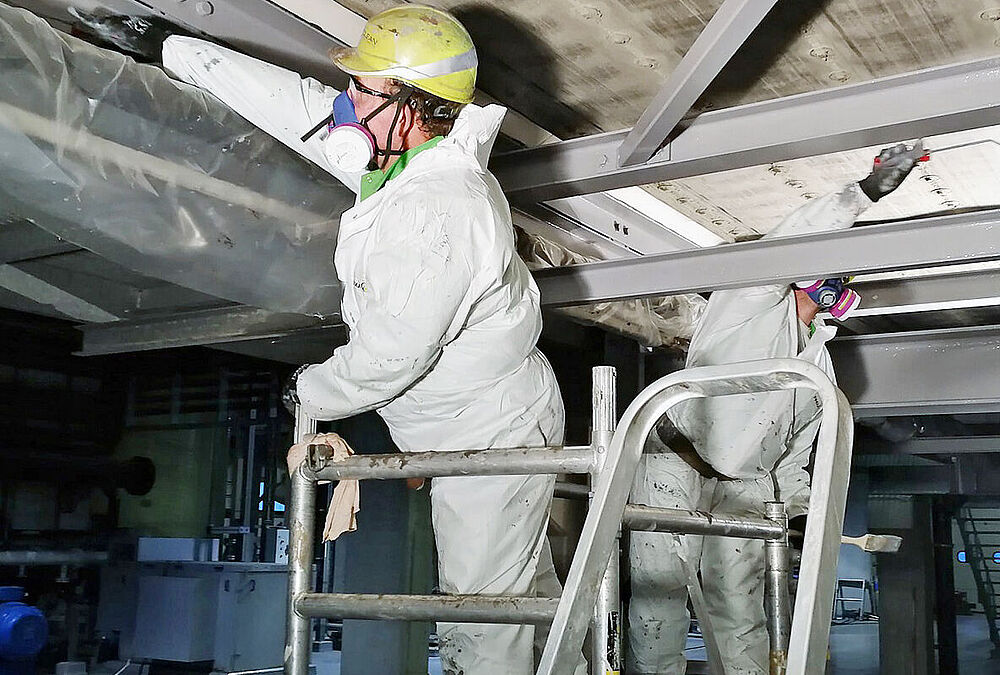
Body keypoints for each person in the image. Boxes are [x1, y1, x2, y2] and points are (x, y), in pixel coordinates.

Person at [163, 7, 571, 674]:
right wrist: (181, 53)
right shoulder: (401, 162)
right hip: (469, 423)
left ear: (410, 107)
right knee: (527, 603)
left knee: (482, 618)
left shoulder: (439, 208)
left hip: (492, 435)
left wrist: (307, 391)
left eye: (363, 88)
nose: (346, 102)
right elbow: (297, 107)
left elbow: (391, 357)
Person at [626, 144, 921, 675]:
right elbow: (784, 245)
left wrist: (800, 509)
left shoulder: (819, 362)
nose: (840, 289)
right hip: (678, 464)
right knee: (661, 598)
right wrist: (863, 194)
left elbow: (796, 450)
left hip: (746, 485)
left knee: (740, 609)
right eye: (836, 277)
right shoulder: (748, 301)